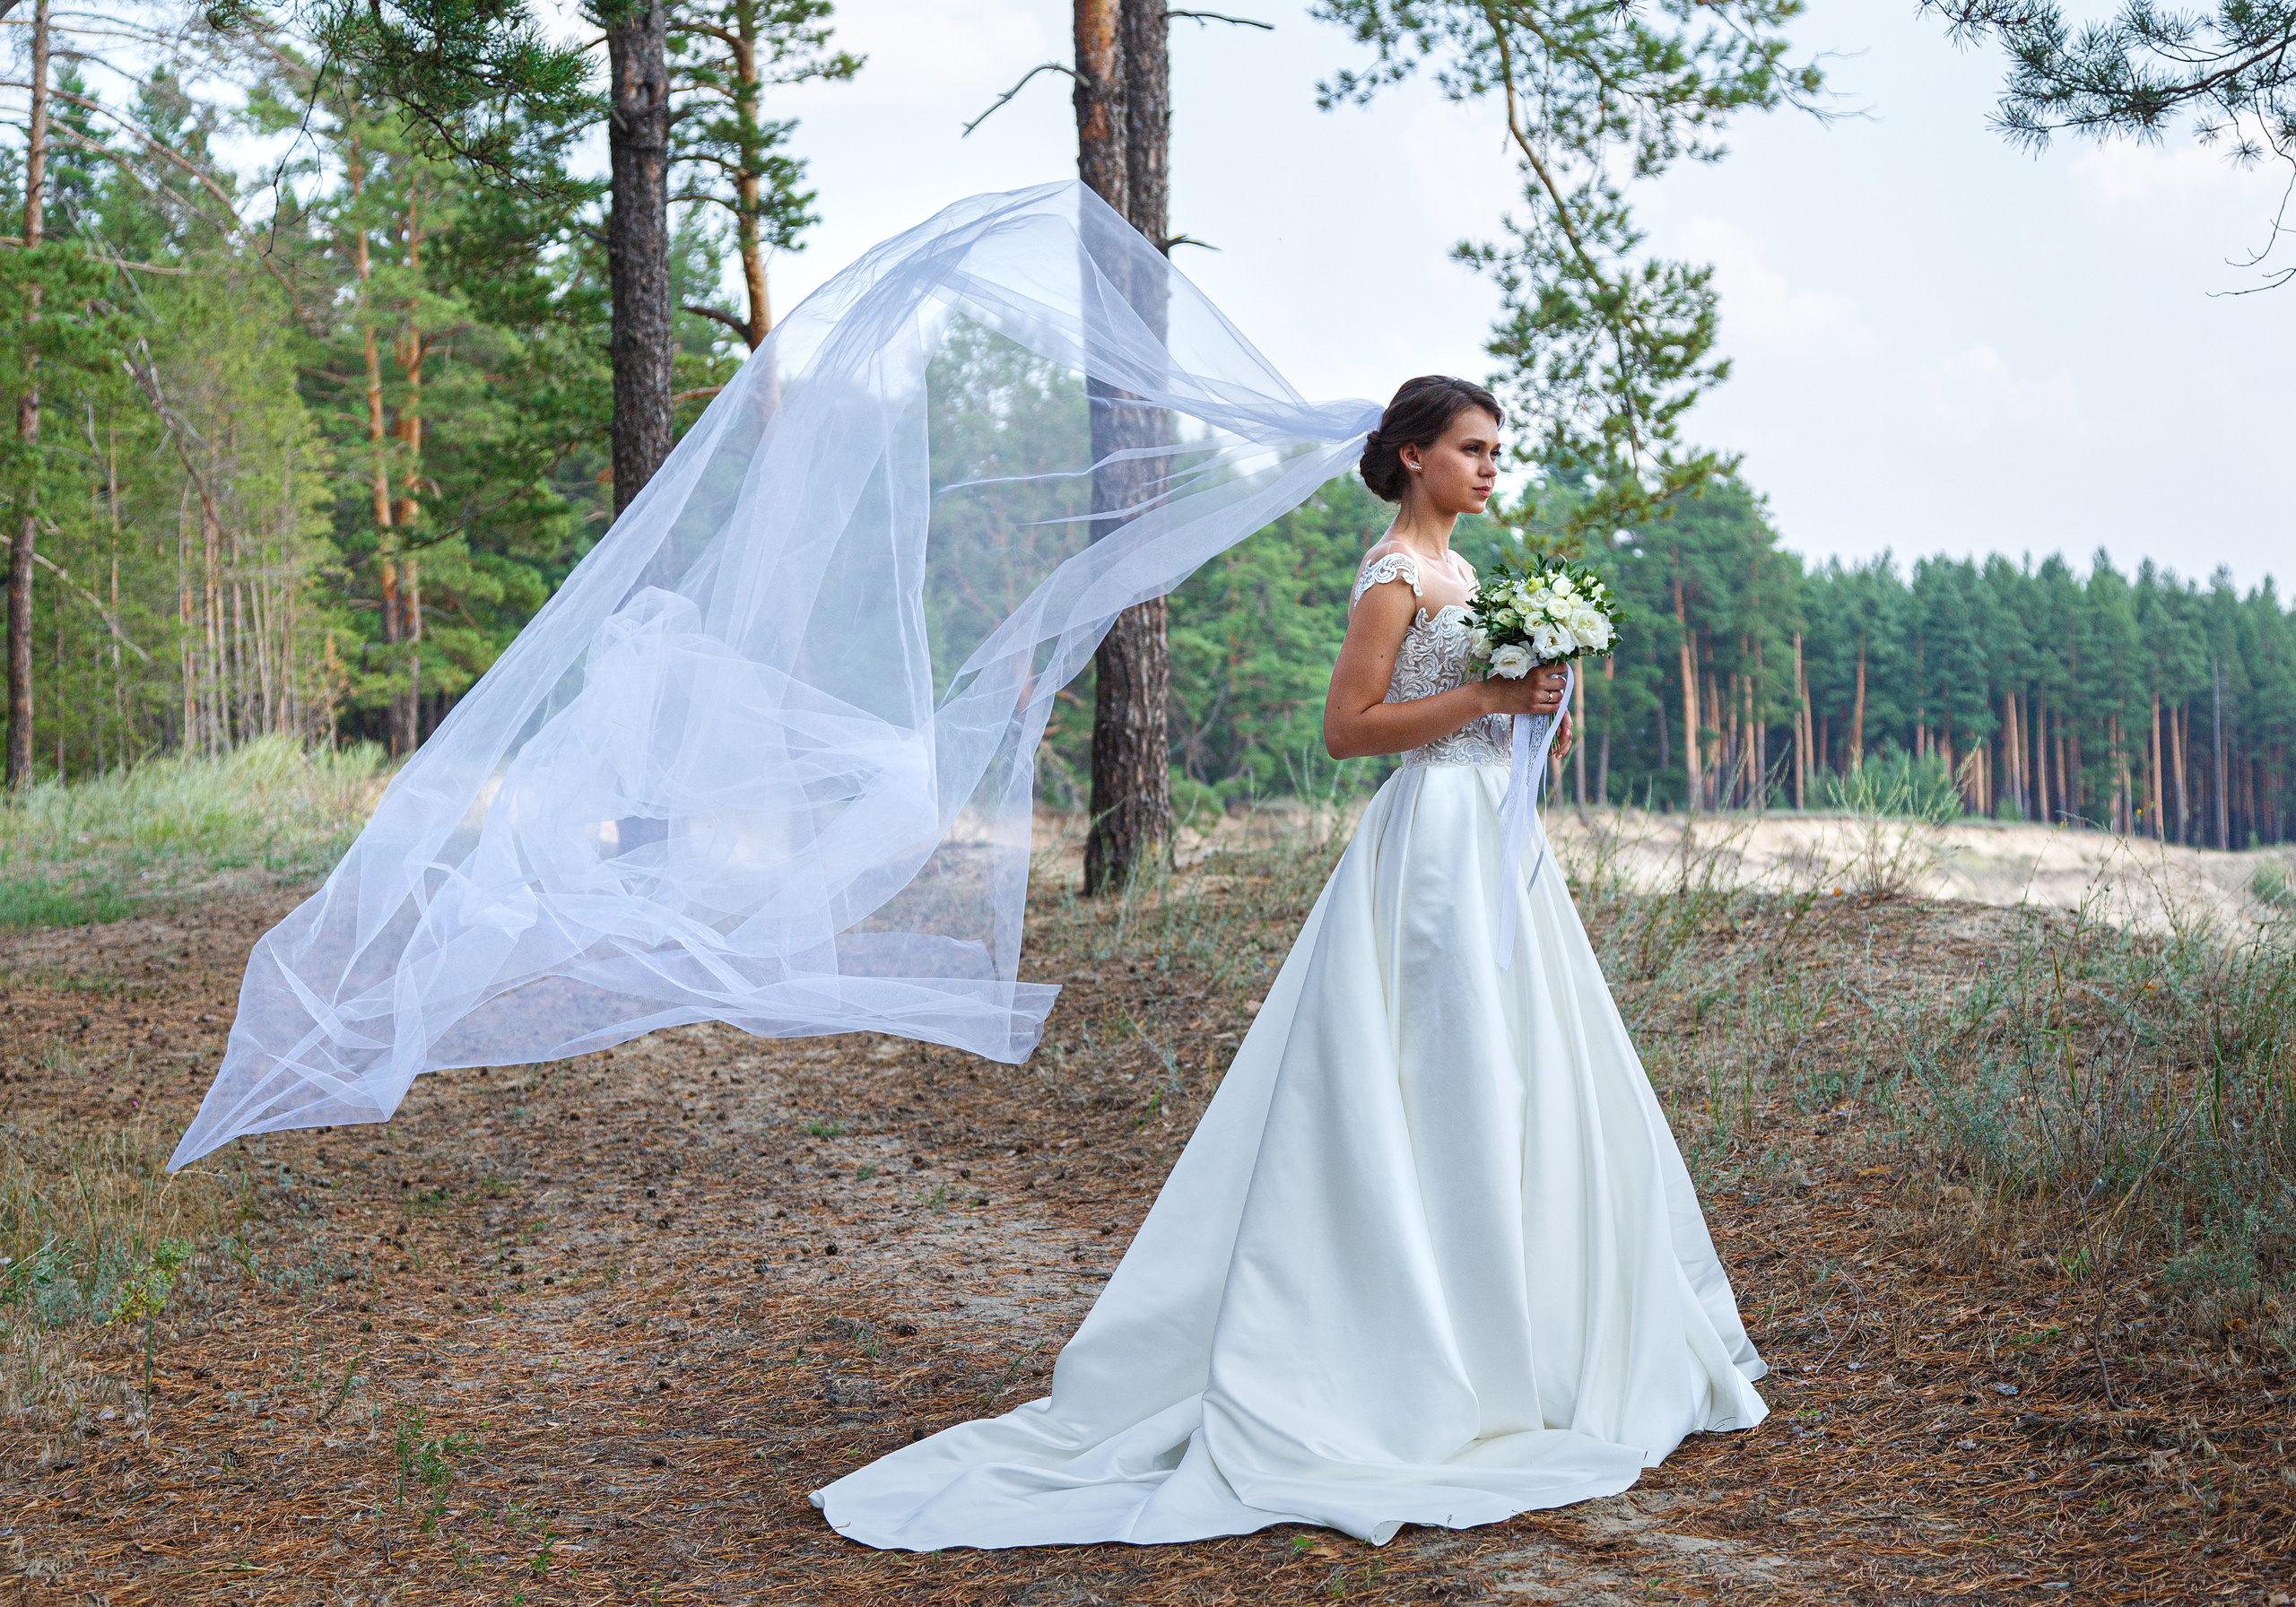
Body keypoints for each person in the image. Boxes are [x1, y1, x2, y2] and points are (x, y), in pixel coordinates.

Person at [812, 374, 1769, 1551]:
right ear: (1413, 456)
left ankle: (1516, 1335)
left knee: (1518, 1079)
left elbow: (1490, 719)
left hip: (1494, 851)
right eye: (1471, 449)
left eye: (1496, 451)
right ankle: (1398, 1344)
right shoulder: (1394, 577)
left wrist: (1539, 706)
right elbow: (1348, 729)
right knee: (1430, 1077)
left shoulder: (1471, 574)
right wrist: (1483, 692)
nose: (1490, 467)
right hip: (1426, 854)